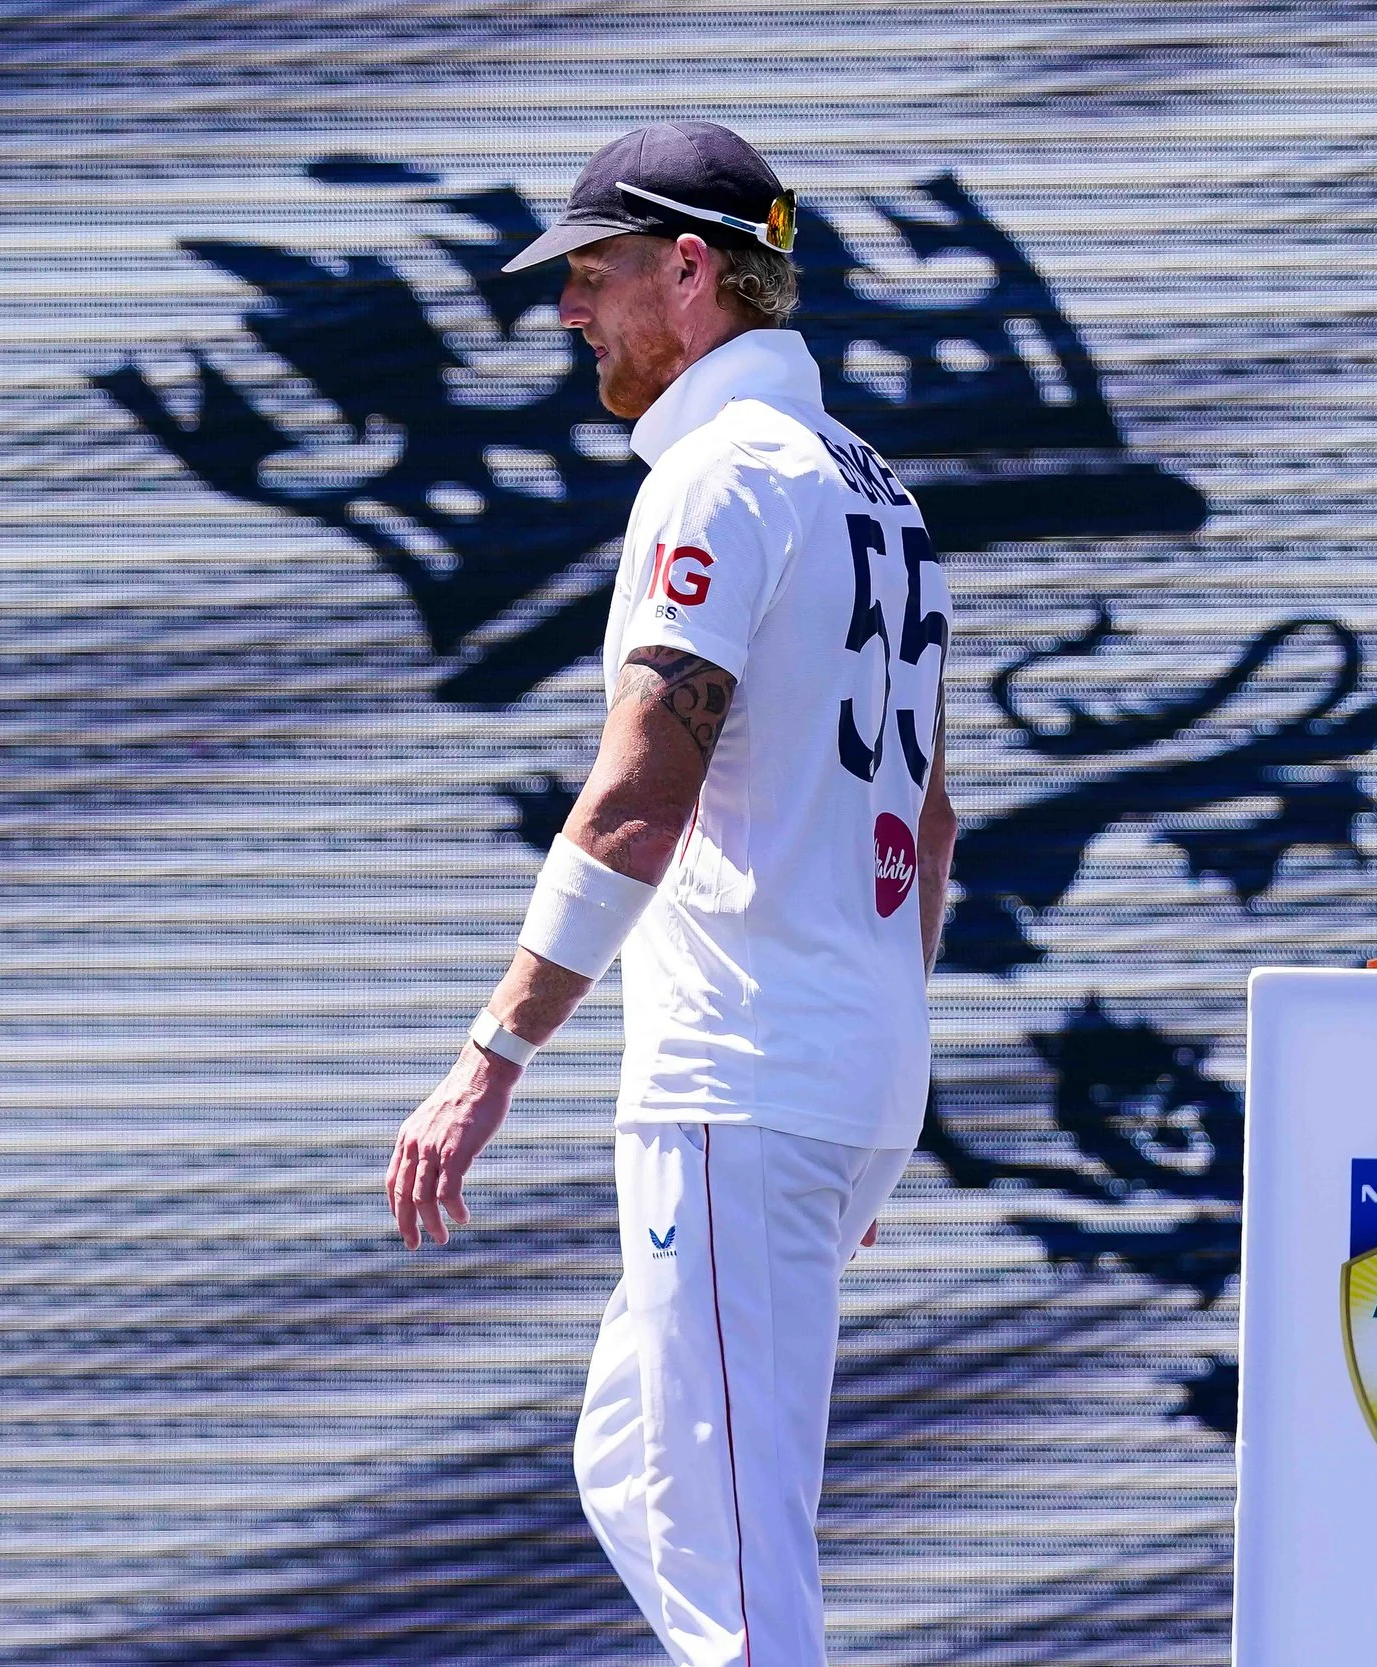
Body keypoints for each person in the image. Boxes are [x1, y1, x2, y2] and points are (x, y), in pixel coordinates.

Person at [385, 120, 954, 1667]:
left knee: (744, 1580)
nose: (569, 307)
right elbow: (929, 823)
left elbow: (643, 795)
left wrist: (489, 1058)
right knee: (635, 1469)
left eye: (595, 270)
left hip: (745, 1077)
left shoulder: (721, 472)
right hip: (824, 1074)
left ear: (691, 271)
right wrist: (871, 1078)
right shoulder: (880, 489)